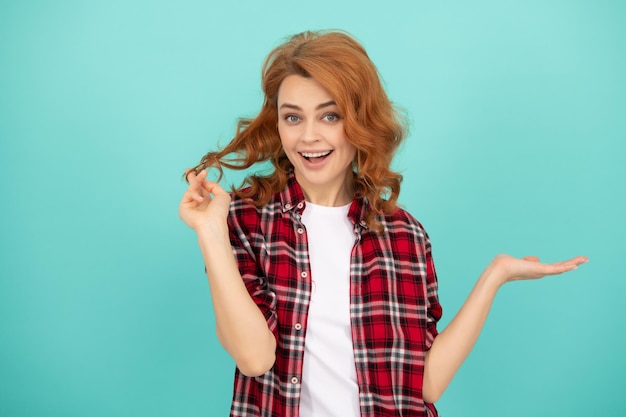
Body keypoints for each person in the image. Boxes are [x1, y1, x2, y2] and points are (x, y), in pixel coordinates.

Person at [178, 30, 587, 417]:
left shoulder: (405, 235)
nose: (308, 137)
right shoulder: (247, 222)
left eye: (330, 116)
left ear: (359, 121)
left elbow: (424, 385)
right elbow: (254, 358)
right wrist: (211, 232)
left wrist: (494, 277)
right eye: (293, 118)